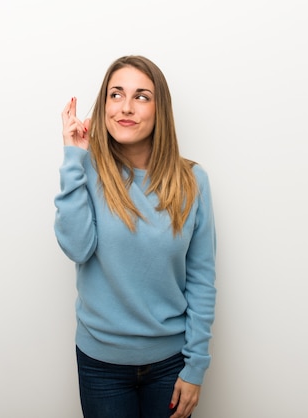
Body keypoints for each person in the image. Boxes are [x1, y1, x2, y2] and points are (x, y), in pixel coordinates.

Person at [54, 55, 216, 418]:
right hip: (101, 365)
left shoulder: (192, 181)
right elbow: (76, 248)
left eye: (141, 96)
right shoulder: (86, 171)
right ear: (104, 104)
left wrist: (196, 366)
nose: (126, 107)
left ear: (160, 109)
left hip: (171, 365)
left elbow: (202, 279)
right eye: (116, 94)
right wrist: (73, 158)